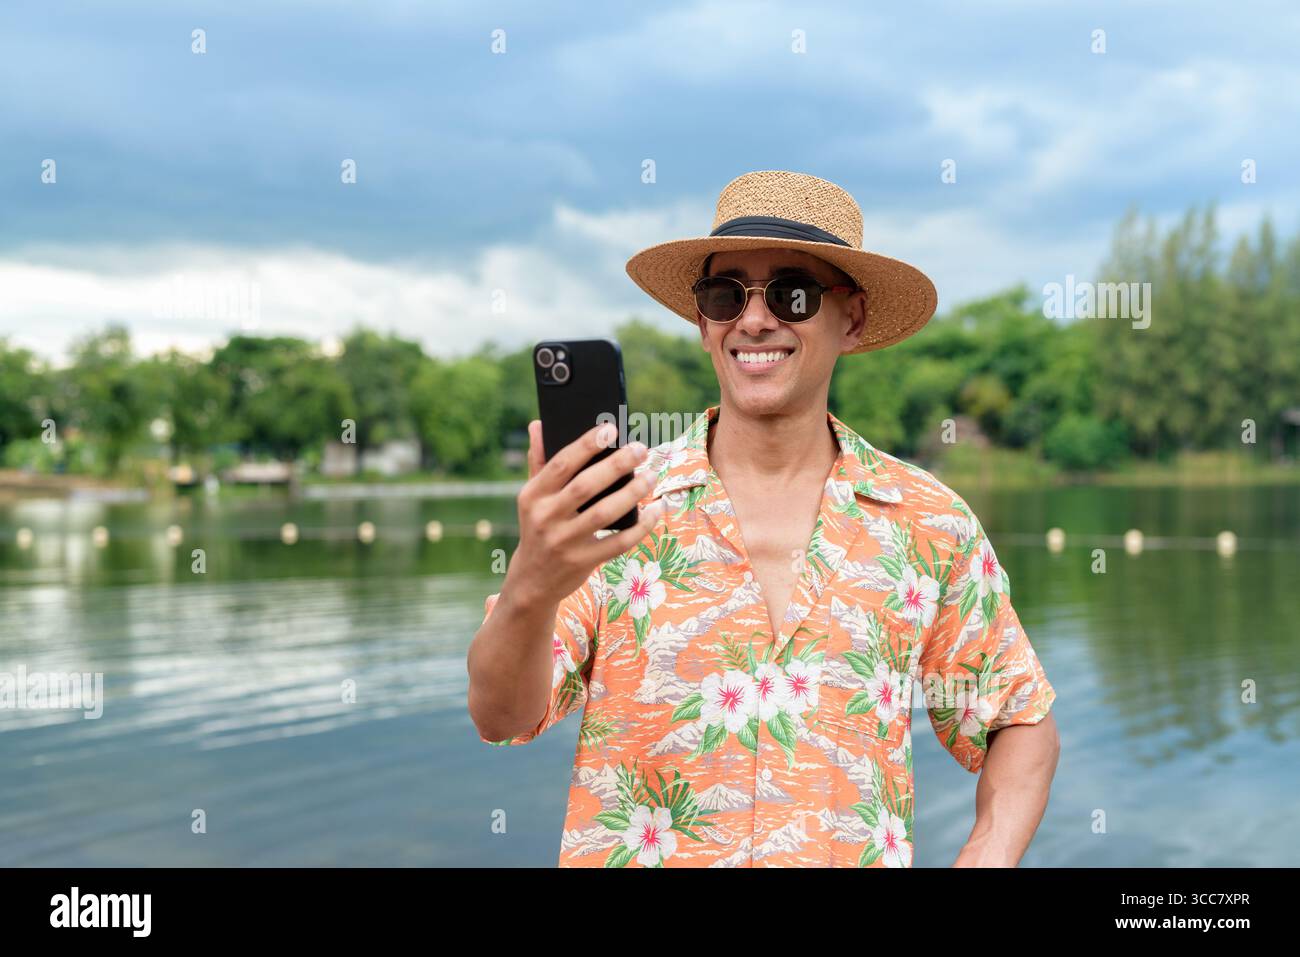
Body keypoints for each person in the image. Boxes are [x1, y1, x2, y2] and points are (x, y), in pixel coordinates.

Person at [466, 170, 1059, 867]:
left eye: (793, 293)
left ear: (854, 317)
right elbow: (500, 714)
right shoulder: (618, 508)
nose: (753, 319)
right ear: (702, 321)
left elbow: (1019, 719)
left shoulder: (929, 524)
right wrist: (533, 579)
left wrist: (985, 857)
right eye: (725, 295)